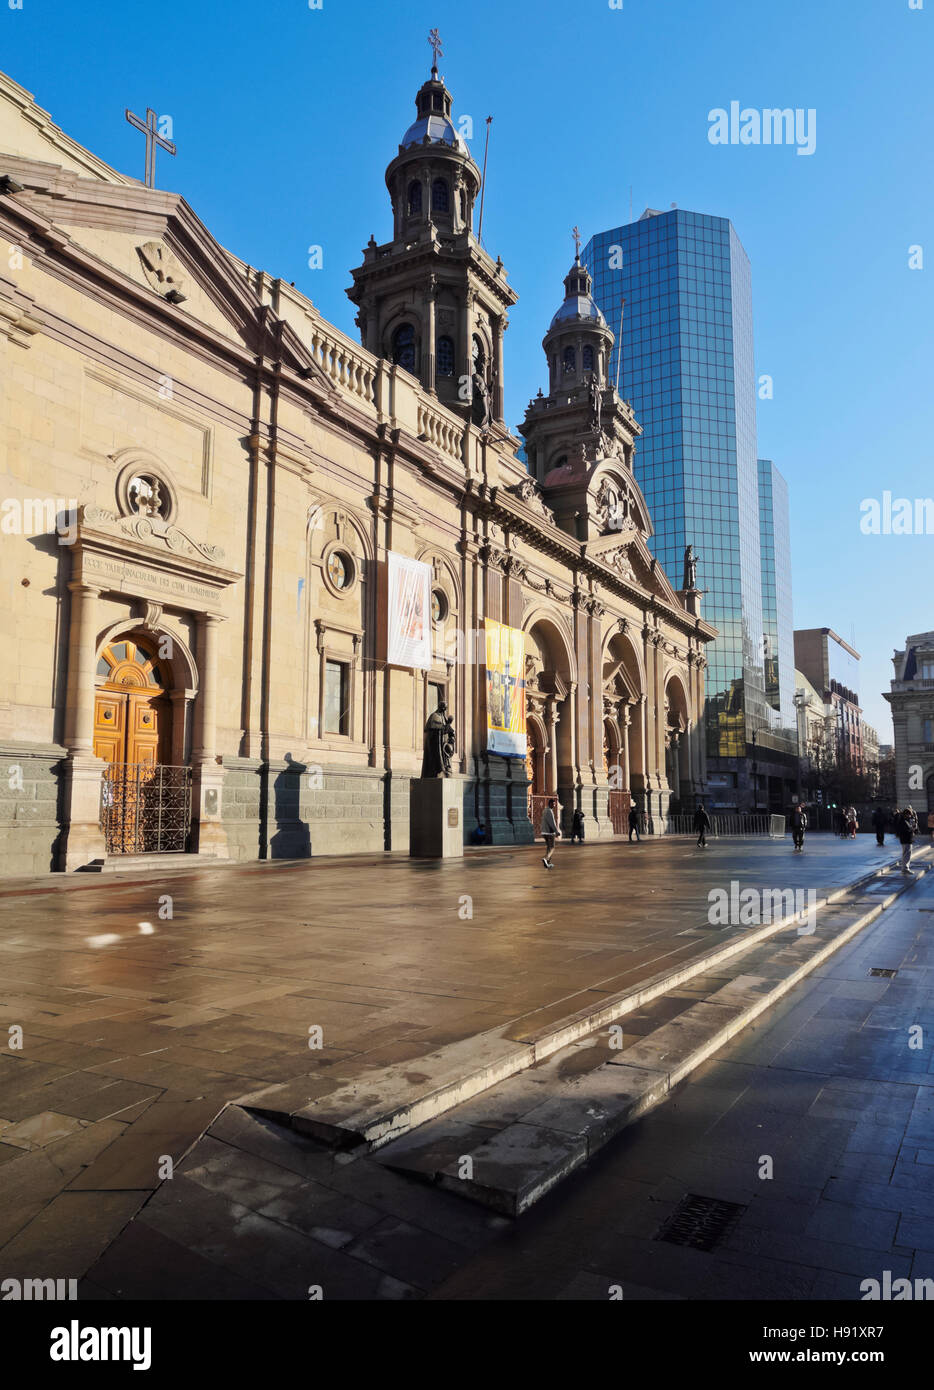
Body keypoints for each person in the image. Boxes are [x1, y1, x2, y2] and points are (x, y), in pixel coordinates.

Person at [541, 797, 560, 869]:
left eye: (555, 804)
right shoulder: (549, 811)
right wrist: (556, 831)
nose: (554, 805)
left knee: (549, 847)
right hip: (549, 832)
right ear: (550, 804)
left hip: (544, 832)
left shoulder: (545, 810)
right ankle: (546, 858)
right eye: (553, 804)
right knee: (552, 847)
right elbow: (552, 823)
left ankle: (548, 862)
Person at [896, 807, 916, 875]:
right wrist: (911, 830)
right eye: (909, 814)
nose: (910, 816)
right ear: (906, 814)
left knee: (906, 854)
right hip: (906, 839)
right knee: (907, 854)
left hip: (906, 839)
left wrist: (912, 828)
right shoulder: (903, 821)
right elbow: (904, 830)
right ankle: (905, 868)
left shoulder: (905, 820)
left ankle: (904, 868)